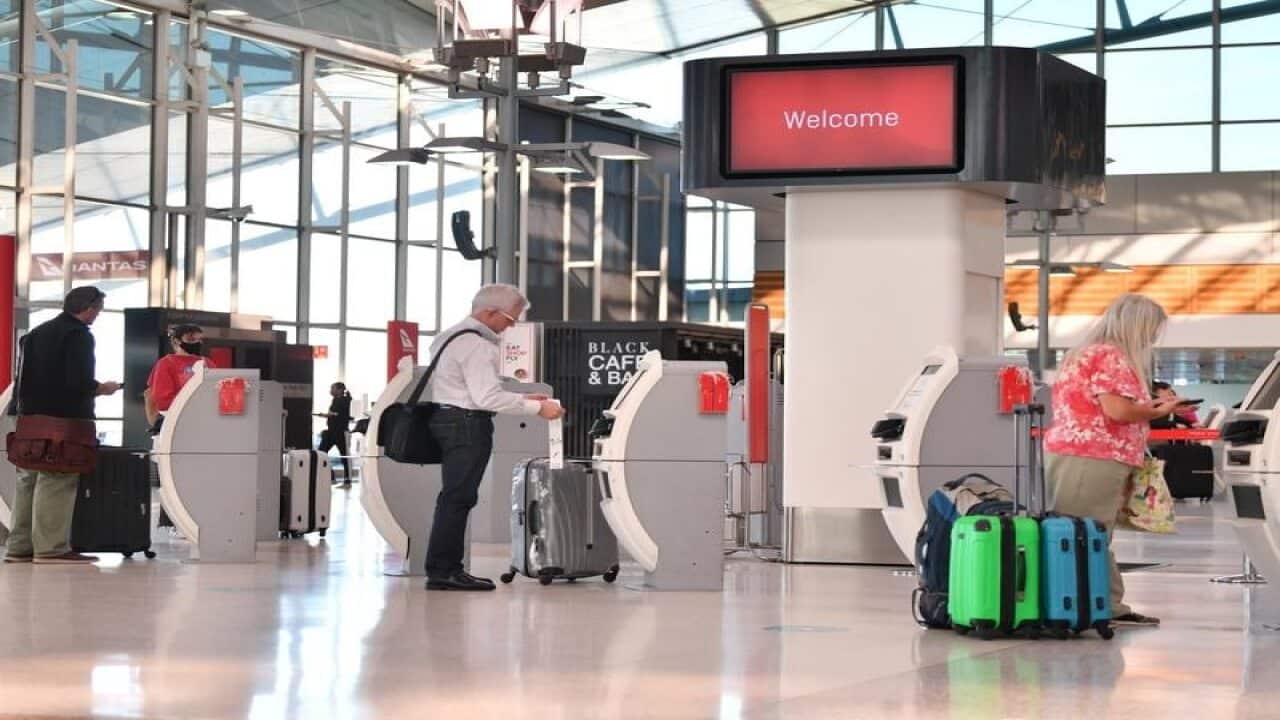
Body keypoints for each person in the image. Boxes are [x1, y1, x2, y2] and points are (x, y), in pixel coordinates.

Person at [1043, 293, 1186, 627]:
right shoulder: (1111, 356)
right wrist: (1158, 410)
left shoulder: (1090, 353)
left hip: (1084, 454)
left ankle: (1095, 603)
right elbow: (1117, 410)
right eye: (1151, 329)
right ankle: (1101, 607)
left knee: (1087, 532)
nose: (1152, 337)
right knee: (1088, 532)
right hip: (1092, 455)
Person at [424, 284, 564, 591]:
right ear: (489, 312)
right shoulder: (478, 345)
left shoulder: (448, 336)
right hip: (467, 424)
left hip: (447, 419)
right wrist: (537, 408)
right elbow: (486, 398)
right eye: (510, 320)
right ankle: (444, 571)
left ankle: (442, 568)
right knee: (458, 498)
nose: (509, 327)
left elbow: (469, 387)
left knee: (453, 496)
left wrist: (522, 394)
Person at [4, 286, 121, 565]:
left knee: (27, 478)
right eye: (98, 309)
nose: (98, 315)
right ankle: (51, 549)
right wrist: (102, 388)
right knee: (57, 478)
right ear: (89, 307)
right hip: (64, 420)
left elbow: (22, 378)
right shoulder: (78, 335)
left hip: (29, 418)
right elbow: (77, 381)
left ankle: (19, 547)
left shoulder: (36, 334)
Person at [144, 323, 219, 432]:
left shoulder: (207, 363)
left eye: (199, 339)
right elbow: (163, 401)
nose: (197, 343)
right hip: (177, 421)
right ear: (176, 341)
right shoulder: (166, 364)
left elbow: (217, 392)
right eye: (191, 339)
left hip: (205, 420)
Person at [317, 382, 353, 488]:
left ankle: (347, 480)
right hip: (332, 431)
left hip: (340, 432)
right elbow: (334, 414)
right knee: (321, 453)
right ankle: (331, 477)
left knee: (344, 456)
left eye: (332, 388)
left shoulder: (345, 400)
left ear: (339, 390)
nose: (330, 390)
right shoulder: (335, 400)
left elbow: (340, 415)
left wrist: (328, 415)